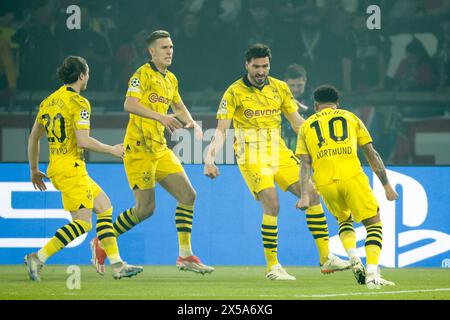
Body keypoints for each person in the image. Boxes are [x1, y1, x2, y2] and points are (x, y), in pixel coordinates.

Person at [204, 44, 350, 280]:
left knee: (312, 193)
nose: (261, 71)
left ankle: (326, 258)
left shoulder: (280, 88)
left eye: (265, 66)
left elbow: (297, 122)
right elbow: (222, 130)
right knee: (272, 204)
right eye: (256, 66)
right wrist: (209, 159)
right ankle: (273, 266)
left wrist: (324, 141)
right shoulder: (233, 92)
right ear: (247, 65)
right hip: (250, 154)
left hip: (279, 153)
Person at [90, 30, 214, 275]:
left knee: (188, 196)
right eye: (164, 47)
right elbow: (129, 104)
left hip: (159, 148)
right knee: (145, 209)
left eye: (171, 47)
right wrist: (162, 116)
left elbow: (178, 105)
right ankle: (103, 240)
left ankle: (185, 255)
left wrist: (192, 123)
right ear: (151, 51)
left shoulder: (171, 79)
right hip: (138, 150)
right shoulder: (141, 75)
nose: (169, 51)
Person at [25, 56, 143, 281]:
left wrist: (33, 169)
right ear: (81, 75)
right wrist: (112, 150)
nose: (88, 77)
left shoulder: (48, 101)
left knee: (105, 207)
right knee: (82, 224)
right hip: (71, 167)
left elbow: (33, 137)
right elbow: (83, 141)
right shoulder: (80, 103)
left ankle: (117, 264)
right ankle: (38, 257)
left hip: (60, 166)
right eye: (87, 73)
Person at [295, 84, 398, 289]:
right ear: (337, 104)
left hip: (325, 183)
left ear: (316, 106)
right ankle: (371, 273)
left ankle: (353, 258)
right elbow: (372, 154)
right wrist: (386, 185)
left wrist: (304, 195)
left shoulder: (306, 126)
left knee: (344, 220)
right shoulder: (350, 117)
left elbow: (304, 163)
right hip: (351, 176)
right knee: (373, 223)